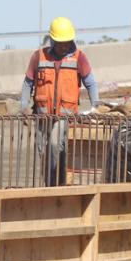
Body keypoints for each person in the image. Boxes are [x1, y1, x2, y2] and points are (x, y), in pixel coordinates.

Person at [19, 16, 100, 187]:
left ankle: (56, 184)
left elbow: (91, 83)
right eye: (60, 42)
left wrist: (95, 105)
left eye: (67, 42)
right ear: (52, 40)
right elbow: (28, 83)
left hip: (64, 116)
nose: (64, 45)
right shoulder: (39, 57)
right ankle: (50, 183)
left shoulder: (79, 58)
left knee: (56, 145)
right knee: (43, 150)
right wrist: (23, 106)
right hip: (42, 115)